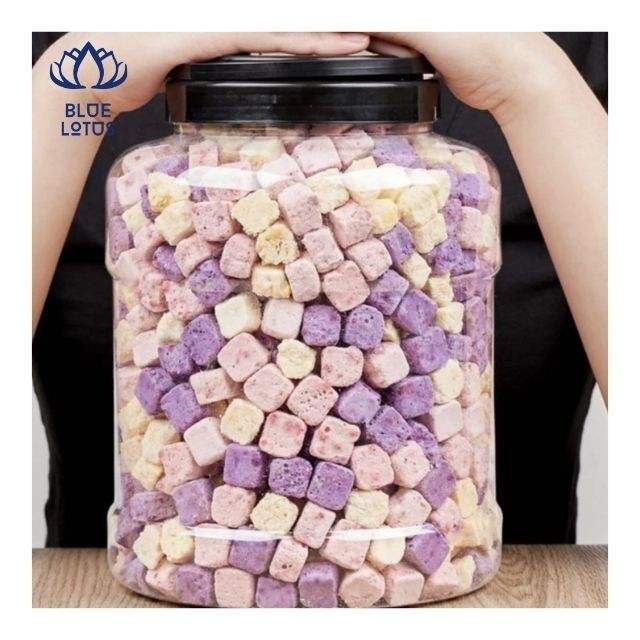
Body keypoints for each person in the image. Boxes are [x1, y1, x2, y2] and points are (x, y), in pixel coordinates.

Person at [32, 32, 607, 547]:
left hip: (487, 592)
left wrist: (531, 82)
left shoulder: (572, 48)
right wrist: (76, 85)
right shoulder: (106, 104)